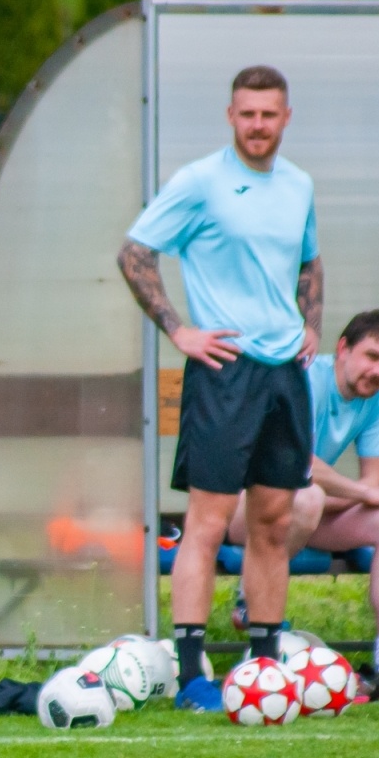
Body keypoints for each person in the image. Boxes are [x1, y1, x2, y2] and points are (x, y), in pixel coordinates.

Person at [117, 64, 323, 712]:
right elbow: (134, 253)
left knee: (274, 520)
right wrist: (180, 330)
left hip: (284, 373)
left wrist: (309, 326)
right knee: (206, 523)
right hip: (224, 371)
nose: (258, 125)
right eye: (247, 114)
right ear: (230, 116)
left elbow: (310, 261)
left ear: (286, 118)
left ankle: (264, 666)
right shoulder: (200, 182)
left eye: (269, 114)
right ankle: (192, 675)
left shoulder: (299, 185)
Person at [223, 310, 379, 699]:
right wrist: (358, 493)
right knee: (305, 494)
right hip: (247, 509)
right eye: (371, 356)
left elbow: (373, 485)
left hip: (305, 508)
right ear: (343, 348)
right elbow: (295, 466)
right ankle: (251, 602)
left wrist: (357, 494)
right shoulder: (304, 374)